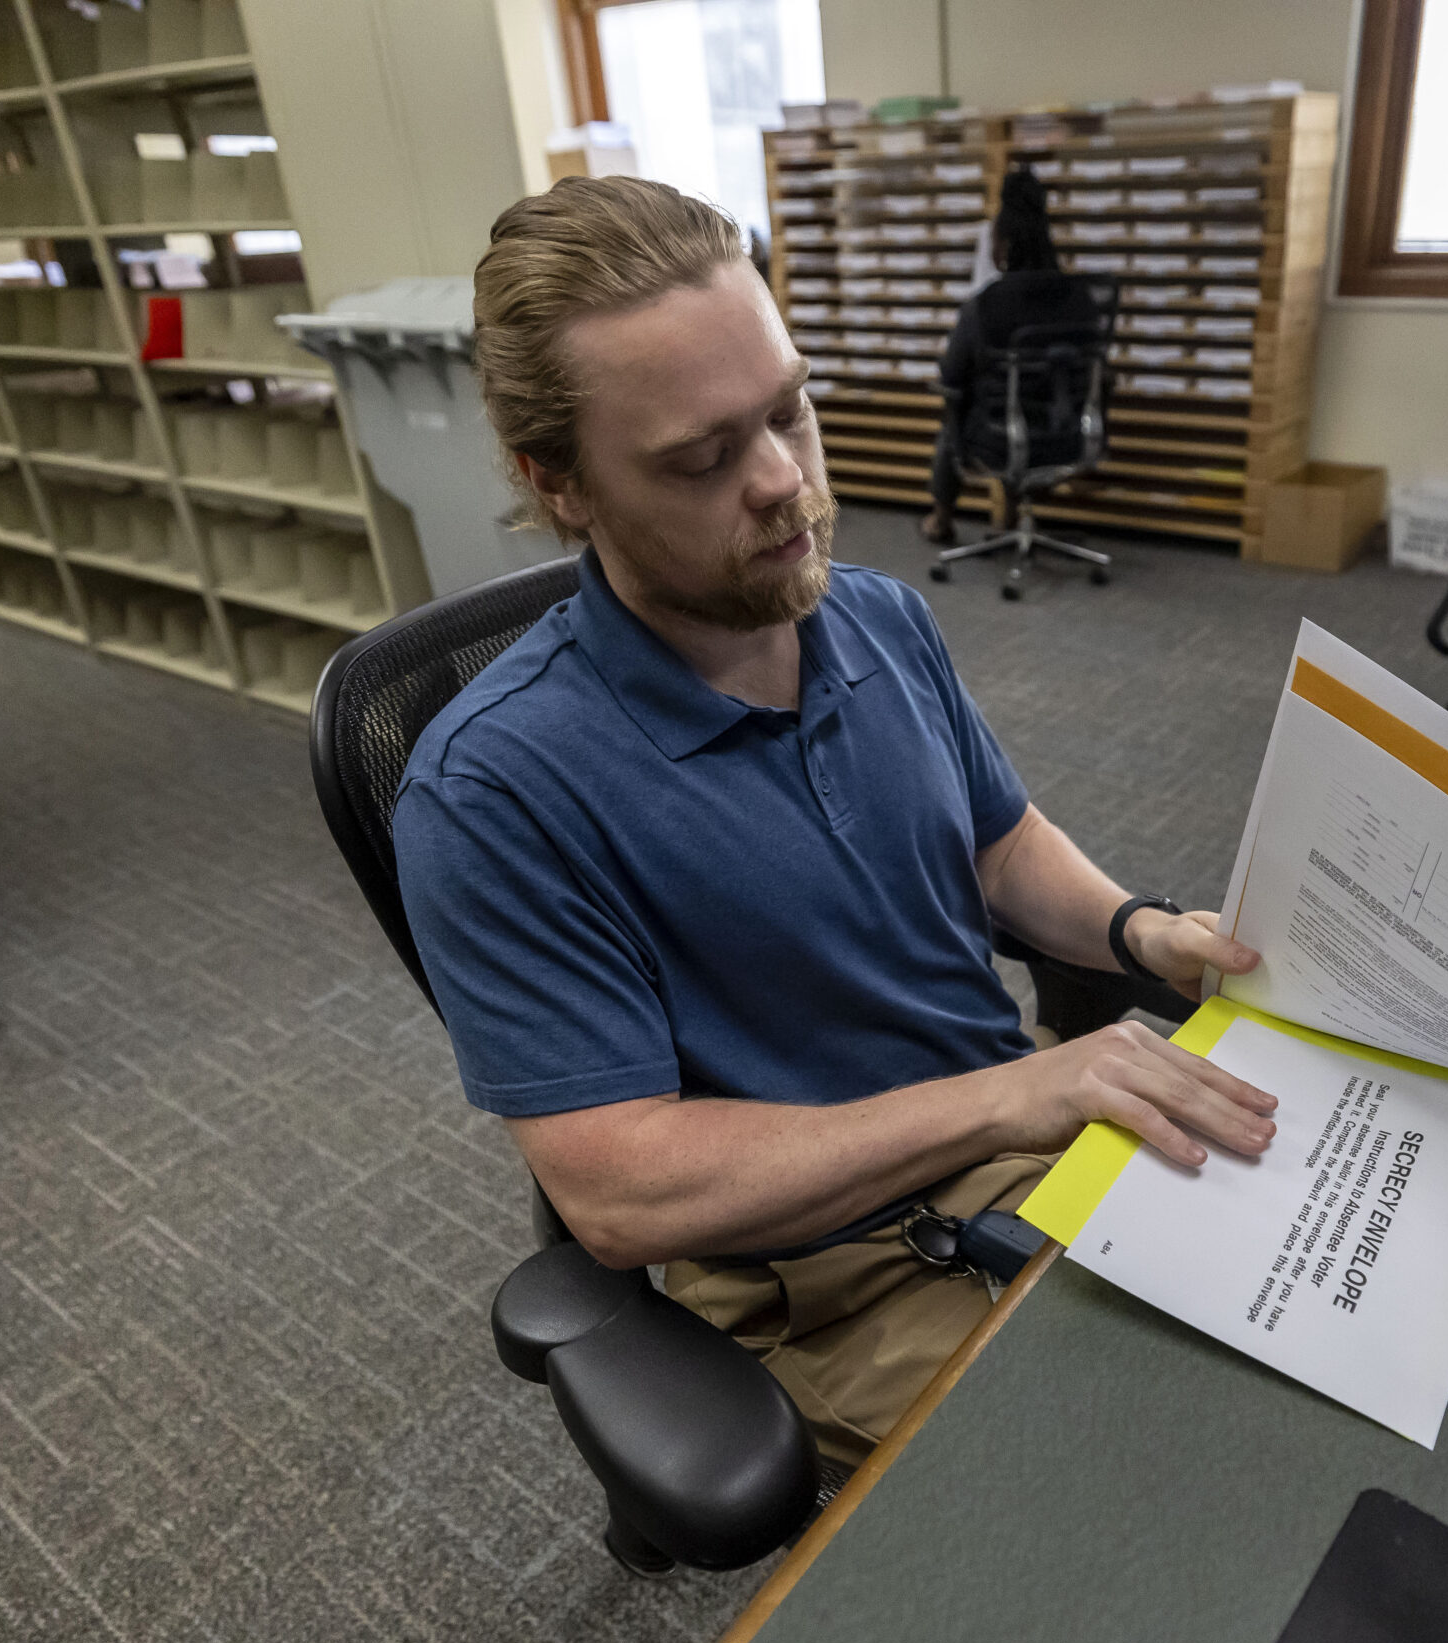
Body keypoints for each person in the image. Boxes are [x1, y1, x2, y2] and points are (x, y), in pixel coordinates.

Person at [392, 176, 1275, 1469]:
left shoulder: (872, 614)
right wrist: (1000, 1098)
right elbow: (622, 1190)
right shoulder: (493, 791)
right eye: (702, 456)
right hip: (832, 1273)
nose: (782, 481)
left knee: (1371, 1287)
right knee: (1186, 1474)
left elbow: (995, 842)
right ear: (558, 482)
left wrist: (1141, 933)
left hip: (1031, 1141)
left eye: (789, 411)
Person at [920, 169, 1104, 545]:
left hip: (998, 439)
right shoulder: (1082, 298)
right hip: (1071, 432)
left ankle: (941, 518)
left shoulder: (986, 305)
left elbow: (952, 375)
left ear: (1001, 243)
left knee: (956, 403)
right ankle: (1013, 520)